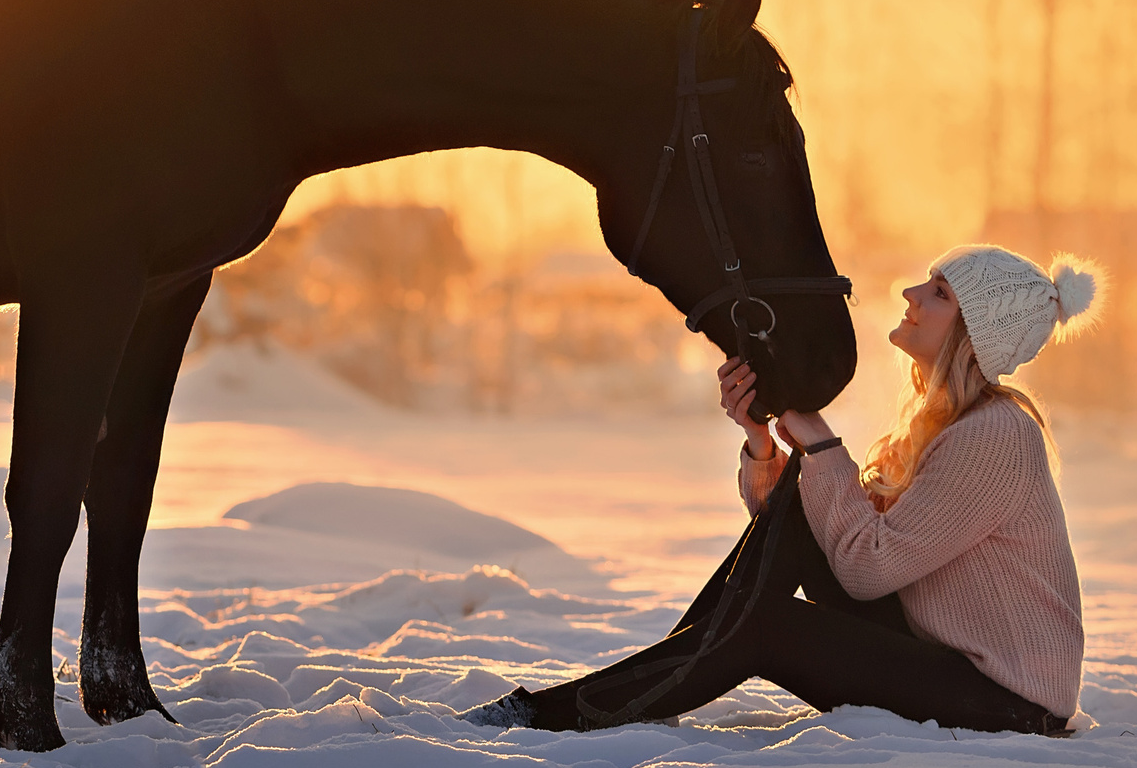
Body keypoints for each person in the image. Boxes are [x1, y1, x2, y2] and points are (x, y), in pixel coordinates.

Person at [464, 245, 1104, 737]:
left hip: (1007, 702)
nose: (910, 293)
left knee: (769, 626)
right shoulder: (944, 423)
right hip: (944, 654)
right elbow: (820, 527)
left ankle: (571, 710)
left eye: (937, 292)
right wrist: (766, 444)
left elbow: (866, 567)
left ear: (974, 332)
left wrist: (820, 445)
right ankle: (648, 692)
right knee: (803, 497)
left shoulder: (994, 436)